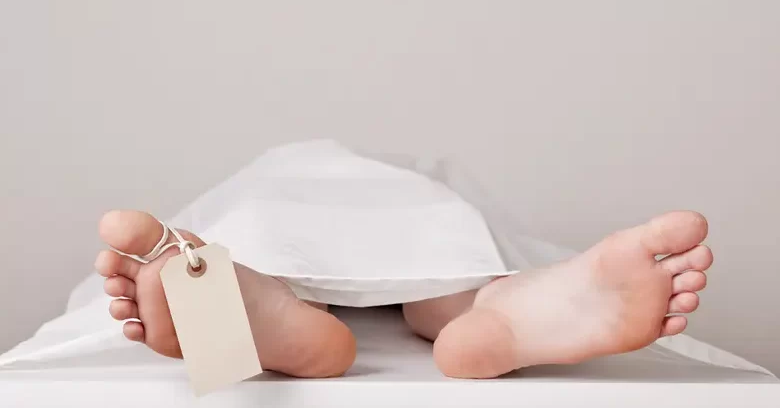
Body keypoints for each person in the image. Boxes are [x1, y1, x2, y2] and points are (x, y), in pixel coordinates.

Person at [94, 209, 711, 379]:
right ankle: (494, 305)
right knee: (445, 266)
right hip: (435, 230)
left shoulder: (263, 180)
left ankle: (272, 299)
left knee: (271, 237)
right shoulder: (429, 181)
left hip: (267, 224)